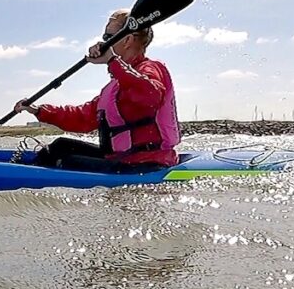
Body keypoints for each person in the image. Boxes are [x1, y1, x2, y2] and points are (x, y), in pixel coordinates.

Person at [13, 9, 180, 173]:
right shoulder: (115, 85)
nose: (102, 42)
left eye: (107, 37)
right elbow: (83, 118)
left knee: (63, 160)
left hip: (147, 163)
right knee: (60, 146)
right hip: (122, 158)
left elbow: (149, 95)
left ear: (127, 40)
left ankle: (24, 178)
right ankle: (24, 171)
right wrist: (39, 110)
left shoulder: (150, 69)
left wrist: (112, 60)